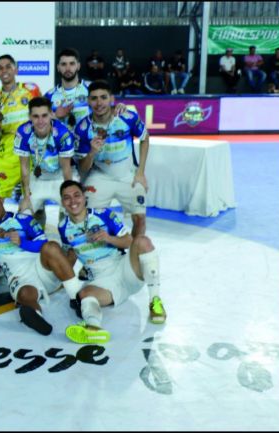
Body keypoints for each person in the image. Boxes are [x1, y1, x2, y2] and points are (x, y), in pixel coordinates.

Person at [58, 180, 165, 344]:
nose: (73, 201)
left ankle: (155, 302)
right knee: (85, 295)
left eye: (76, 195)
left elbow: (129, 241)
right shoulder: (63, 227)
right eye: (67, 198)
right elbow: (71, 254)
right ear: (62, 203)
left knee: (142, 241)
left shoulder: (103, 214)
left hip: (124, 269)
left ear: (84, 197)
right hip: (102, 281)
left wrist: (108, 238)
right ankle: (93, 328)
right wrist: (61, 277)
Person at [0, 187, 81, 335]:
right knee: (25, 295)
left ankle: (77, 299)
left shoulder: (23, 219)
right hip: (20, 277)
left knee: (52, 247)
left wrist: (22, 242)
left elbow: (43, 245)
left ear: (1, 200)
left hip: (41, 267)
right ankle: (35, 315)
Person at [75, 80, 149, 238]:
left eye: (103, 97)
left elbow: (145, 137)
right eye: (94, 98)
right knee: (89, 220)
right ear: (88, 101)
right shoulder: (82, 128)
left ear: (111, 99)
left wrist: (141, 172)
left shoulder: (127, 117)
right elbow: (82, 168)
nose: (99, 102)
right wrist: (92, 153)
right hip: (99, 176)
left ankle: (132, 256)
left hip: (128, 175)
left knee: (140, 219)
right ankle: (94, 259)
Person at [14, 97, 75, 241]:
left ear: (51, 115)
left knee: (71, 212)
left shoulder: (62, 133)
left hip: (60, 178)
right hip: (38, 178)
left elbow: (67, 169)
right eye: (35, 116)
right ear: (29, 116)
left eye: (44, 116)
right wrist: (26, 197)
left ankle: (67, 242)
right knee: (25, 215)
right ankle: (37, 241)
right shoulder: (23, 132)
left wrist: (69, 196)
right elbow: (24, 168)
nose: (40, 121)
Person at [0, 54, 42, 200]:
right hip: (7, 153)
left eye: (8, 67)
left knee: (34, 201)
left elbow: (44, 116)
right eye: (0, 68)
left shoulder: (31, 90)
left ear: (15, 70)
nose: (4, 70)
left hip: (32, 148)